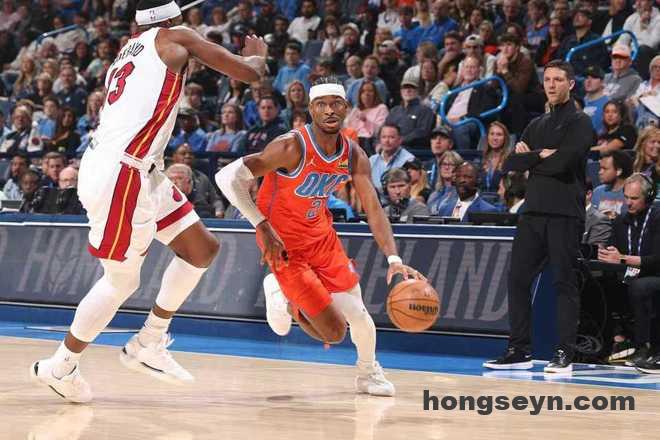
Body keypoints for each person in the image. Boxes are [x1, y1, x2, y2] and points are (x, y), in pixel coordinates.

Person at [30, 0, 268, 403]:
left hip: (140, 168)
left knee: (201, 248)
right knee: (121, 280)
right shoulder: (176, 36)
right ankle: (61, 365)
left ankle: (150, 341)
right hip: (123, 171)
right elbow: (250, 73)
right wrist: (258, 54)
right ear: (171, 16)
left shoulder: (129, 49)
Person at [215, 78, 425, 396]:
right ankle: (285, 296)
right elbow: (226, 177)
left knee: (359, 312)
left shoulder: (353, 154)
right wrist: (261, 225)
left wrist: (393, 258)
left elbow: (373, 208)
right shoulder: (290, 146)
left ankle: (368, 373)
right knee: (334, 331)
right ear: (311, 110)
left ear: (346, 108)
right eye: (322, 105)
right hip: (283, 243)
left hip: (321, 236)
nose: (329, 110)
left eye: (336, 104)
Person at [483, 60, 595, 373]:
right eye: (547, 80)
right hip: (532, 213)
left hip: (565, 213)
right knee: (517, 279)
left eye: (558, 79)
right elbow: (510, 165)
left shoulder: (581, 122)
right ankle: (519, 349)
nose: (552, 85)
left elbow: (563, 164)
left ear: (571, 84)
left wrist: (531, 159)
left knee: (564, 283)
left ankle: (564, 353)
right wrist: (540, 156)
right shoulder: (536, 124)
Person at [598, 174, 660, 373]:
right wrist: (605, 254)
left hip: (656, 272)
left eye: (634, 198)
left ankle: (644, 347)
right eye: (626, 197)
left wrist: (622, 258)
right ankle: (616, 341)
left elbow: (656, 260)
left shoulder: (657, 217)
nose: (628, 203)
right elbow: (613, 250)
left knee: (640, 286)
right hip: (633, 272)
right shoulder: (621, 221)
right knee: (602, 283)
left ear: (648, 197)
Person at [433, 161, 500, 221]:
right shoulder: (444, 209)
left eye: (467, 177)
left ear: (478, 180)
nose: (461, 180)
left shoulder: (488, 211)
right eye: (458, 176)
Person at [592, 150, 633, 217]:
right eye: (600, 168)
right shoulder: (598, 192)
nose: (600, 172)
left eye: (605, 169)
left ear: (618, 171)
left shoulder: (632, 194)